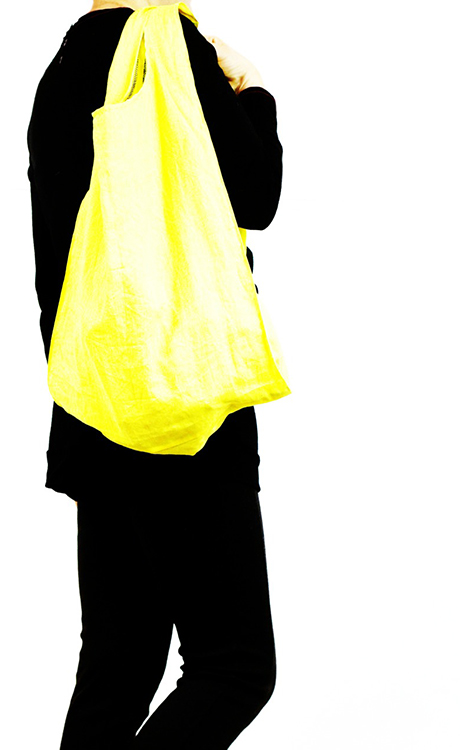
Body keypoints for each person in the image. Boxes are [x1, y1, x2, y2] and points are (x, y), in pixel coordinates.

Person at [26, 1, 284, 747]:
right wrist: (255, 94)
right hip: (180, 397)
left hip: (91, 395)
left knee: (118, 667)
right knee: (234, 667)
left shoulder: (62, 68)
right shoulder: (167, 44)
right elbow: (255, 192)